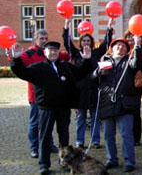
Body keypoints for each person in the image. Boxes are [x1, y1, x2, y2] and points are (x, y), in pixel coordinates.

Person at [9, 41, 93, 175]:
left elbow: (81, 73)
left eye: (55, 50)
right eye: (50, 50)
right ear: (45, 52)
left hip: (63, 108)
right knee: (45, 136)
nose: (53, 53)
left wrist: (87, 60)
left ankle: (66, 162)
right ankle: (44, 165)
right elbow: (22, 72)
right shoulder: (38, 67)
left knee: (64, 136)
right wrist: (16, 59)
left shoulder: (66, 67)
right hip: (46, 108)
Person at [93, 36, 142, 172]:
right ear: (112, 47)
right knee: (108, 135)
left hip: (124, 104)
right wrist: (97, 73)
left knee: (126, 134)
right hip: (107, 103)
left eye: (123, 46)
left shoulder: (129, 61)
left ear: (127, 50)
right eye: (117, 45)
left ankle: (129, 161)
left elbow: (138, 64)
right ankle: (112, 159)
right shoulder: (105, 61)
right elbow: (93, 78)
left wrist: (138, 47)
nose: (120, 47)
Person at [63, 18, 114, 149]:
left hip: (94, 89)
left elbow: (106, 44)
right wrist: (66, 28)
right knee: (80, 117)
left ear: (91, 42)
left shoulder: (96, 53)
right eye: (84, 41)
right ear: (81, 42)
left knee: (95, 116)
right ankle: (79, 141)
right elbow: (67, 43)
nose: (86, 43)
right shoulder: (77, 54)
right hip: (80, 90)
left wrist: (109, 28)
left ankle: (95, 140)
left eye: (88, 41)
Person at [17, 29, 69, 158]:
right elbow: (19, 67)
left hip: (54, 100)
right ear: (35, 40)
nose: (44, 40)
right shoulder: (29, 54)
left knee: (49, 124)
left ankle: (50, 145)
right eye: (42, 38)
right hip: (36, 97)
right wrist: (13, 57)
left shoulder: (53, 55)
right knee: (36, 123)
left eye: (46, 38)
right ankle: (34, 147)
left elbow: (69, 55)